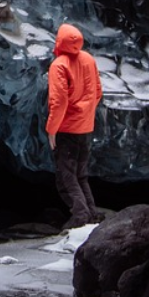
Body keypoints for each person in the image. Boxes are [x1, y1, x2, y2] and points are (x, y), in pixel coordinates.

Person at [46, 21, 103, 228]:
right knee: (81, 175)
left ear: (59, 41)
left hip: (66, 129)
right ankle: (92, 214)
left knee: (66, 179)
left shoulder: (59, 65)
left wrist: (52, 130)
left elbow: (58, 102)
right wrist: (85, 114)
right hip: (85, 127)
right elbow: (98, 91)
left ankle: (80, 216)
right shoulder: (88, 59)